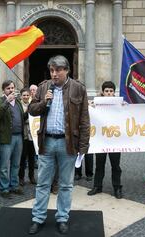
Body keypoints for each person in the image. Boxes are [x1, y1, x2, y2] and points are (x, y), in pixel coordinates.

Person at [28, 55, 90, 235]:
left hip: (68, 143)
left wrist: (83, 147)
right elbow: (32, 110)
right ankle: (37, 218)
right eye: (52, 70)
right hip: (46, 142)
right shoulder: (43, 87)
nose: (54, 74)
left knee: (65, 185)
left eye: (58, 70)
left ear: (67, 70)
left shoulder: (78, 88)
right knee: (42, 184)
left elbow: (84, 119)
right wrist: (43, 101)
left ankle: (62, 218)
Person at [87, 81, 122, 199]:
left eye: (111, 91)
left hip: (115, 141)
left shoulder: (119, 103)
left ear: (113, 92)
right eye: (107, 91)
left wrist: (126, 108)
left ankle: (117, 187)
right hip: (101, 140)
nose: (109, 93)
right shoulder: (97, 103)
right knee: (99, 165)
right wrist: (90, 106)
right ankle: (97, 186)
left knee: (116, 166)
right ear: (103, 92)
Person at [0, 80, 25, 198]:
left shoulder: (17, 102)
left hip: (18, 136)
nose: (11, 90)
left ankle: (14, 185)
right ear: (4, 90)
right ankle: (4, 188)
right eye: (8, 88)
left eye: (12, 88)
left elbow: (22, 117)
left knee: (16, 164)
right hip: (7, 137)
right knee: (4, 165)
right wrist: (6, 101)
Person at [19, 87, 37, 186]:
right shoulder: (19, 106)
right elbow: (22, 118)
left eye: (27, 95)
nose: (26, 97)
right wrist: (28, 111)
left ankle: (31, 176)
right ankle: (21, 177)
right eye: (24, 95)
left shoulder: (32, 105)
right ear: (21, 96)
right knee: (23, 158)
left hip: (32, 135)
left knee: (32, 158)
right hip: (23, 135)